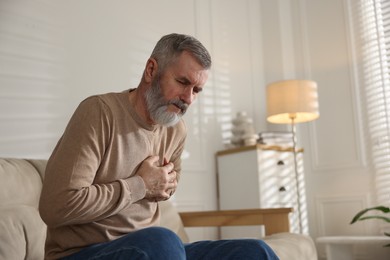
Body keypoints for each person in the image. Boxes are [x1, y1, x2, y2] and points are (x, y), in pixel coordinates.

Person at [39, 33, 279, 260]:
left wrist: (164, 184)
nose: (189, 98)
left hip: (153, 251)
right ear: (151, 70)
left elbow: (167, 187)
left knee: (254, 251)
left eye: (196, 90)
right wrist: (141, 185)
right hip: (83, 253)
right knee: (162, 241)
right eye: (182, 82)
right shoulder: (99, 113)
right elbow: (56, 206)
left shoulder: (176, 129)